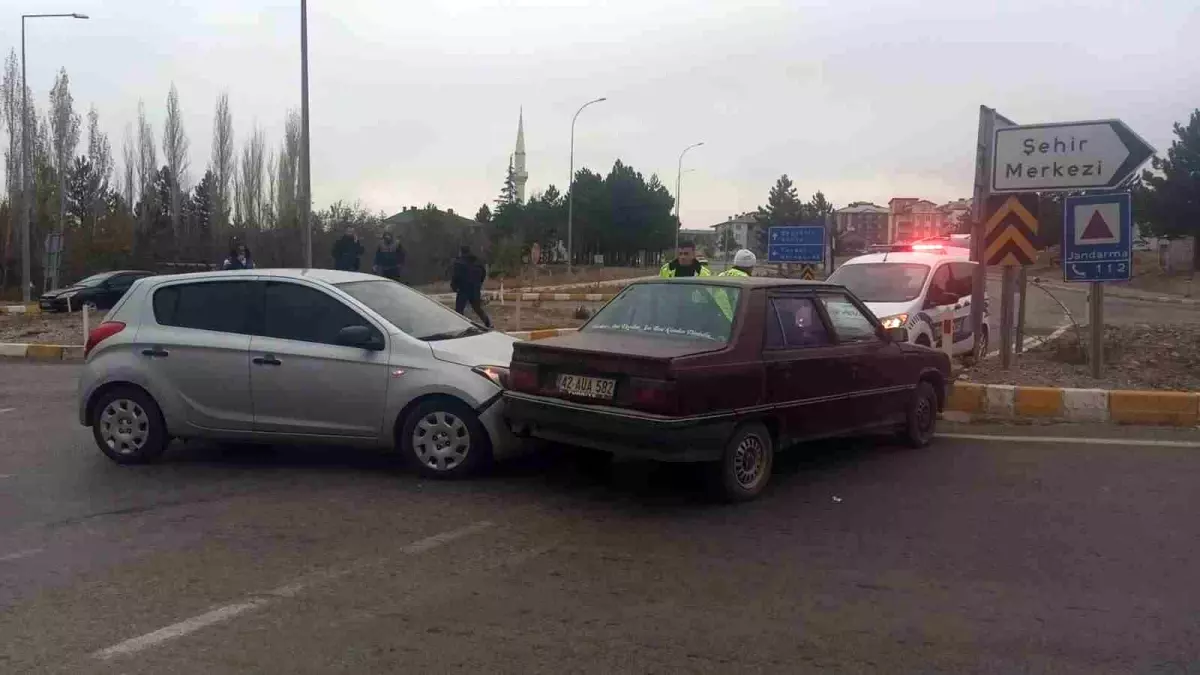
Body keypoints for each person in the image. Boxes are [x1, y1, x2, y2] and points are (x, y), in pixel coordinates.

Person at [451, 246, 492, 328]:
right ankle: (489, 324)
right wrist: (478, 284)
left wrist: (454, 287)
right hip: (475, 289)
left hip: (463, 289)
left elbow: (456, 276)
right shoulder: (477, 261)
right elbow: (483, 273)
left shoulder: (458, 263)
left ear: (461, 252)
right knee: (477, 308)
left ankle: (459, 327)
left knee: (459, 310)